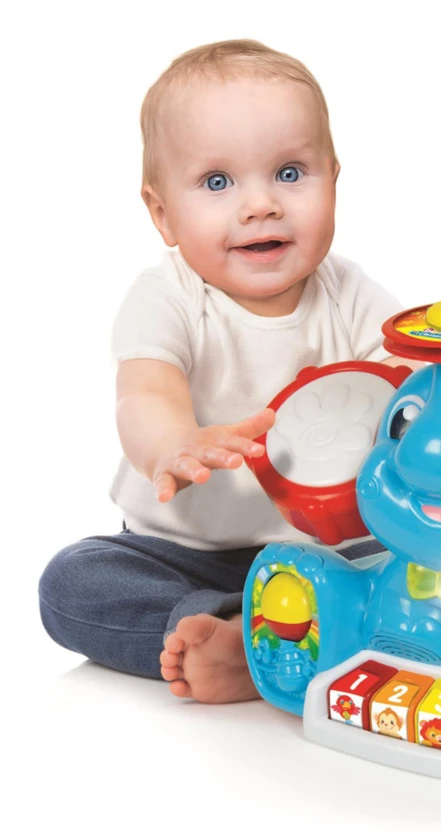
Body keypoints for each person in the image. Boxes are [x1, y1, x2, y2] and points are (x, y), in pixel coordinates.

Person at [38, 39, 415, 704]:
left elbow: (406, 366)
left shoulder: (348, 292)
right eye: (218, 183)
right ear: (162, 214)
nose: (261, 204)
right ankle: (233, 631)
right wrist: (173, 444)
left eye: (291, 173)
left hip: (329, 553)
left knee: (418, 557)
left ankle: (292, 631)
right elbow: (145, 392)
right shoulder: (169, 297)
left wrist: (420, 374)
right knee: (73, 582)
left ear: (334, 179)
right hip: (181, 556)